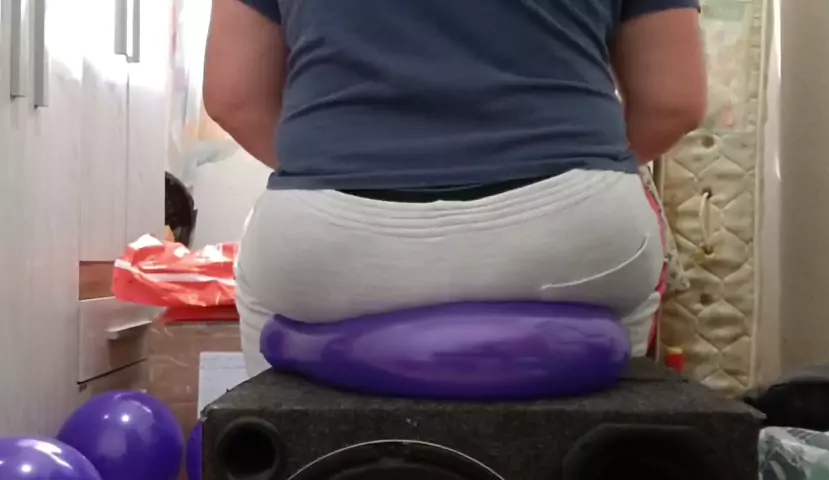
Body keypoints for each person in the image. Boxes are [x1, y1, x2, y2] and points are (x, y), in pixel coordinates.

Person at [204, 0, 706, 377]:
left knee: (266, 310)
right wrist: (589, 171)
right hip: (576, 236)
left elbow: (233, 98)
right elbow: (674, 103)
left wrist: (324, 169)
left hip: (327, 245)